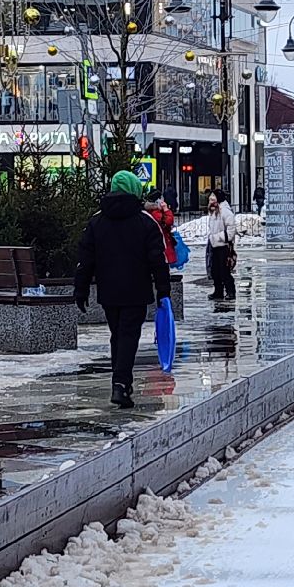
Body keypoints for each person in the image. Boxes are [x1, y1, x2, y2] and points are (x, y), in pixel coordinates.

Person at [75, 170, 172, 409]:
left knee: (117, 334)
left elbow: (86, 259)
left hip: (109, 291)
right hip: (136, 289)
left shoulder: (97, 221)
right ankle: (120, 384)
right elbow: (157, 261)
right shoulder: (145, 222)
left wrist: (82, 289)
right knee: (129, 335)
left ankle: (120, 382)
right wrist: (164, 291)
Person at [206, 189, 238, 300]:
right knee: (215, 271)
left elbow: (231, 230)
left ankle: (230, 291)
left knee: (224, 270)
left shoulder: (225, 212)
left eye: (213, 197)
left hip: (223, 246)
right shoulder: (214, 211)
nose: (210, 199)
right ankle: (218, 291)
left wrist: (218, 237)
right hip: (214, 245)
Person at [143, 186, 178, 270]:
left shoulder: (151, 210)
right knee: (162, 263)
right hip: (161, 241)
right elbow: (168, 221)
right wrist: (166, 209)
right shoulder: (155, 212)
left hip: (159, 241)